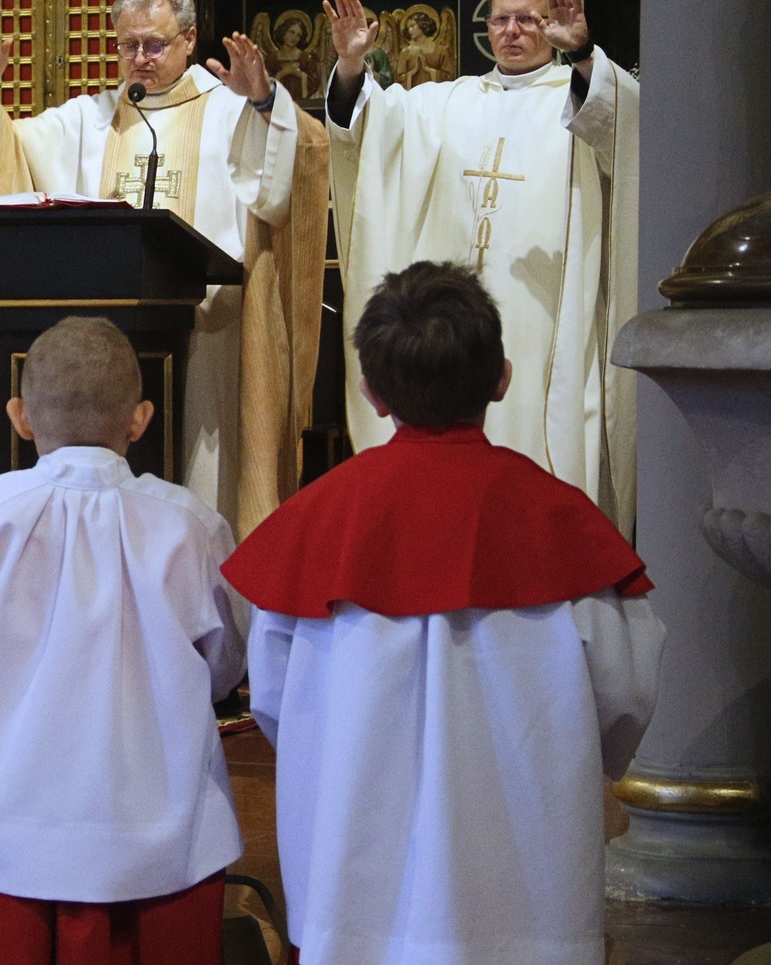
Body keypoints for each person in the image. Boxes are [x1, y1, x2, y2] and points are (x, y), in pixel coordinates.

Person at [225, 262, 663, 965]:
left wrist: (333, 751)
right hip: (527, 882)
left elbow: (275, 699)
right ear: (502, 379)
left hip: (357, 877)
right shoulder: (559, 522)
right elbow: (625, 693)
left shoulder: (320, 521)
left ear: (369, 392)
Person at [0, 0, 329, 534]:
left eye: (154, 44)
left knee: (205, 473)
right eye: (128, 46)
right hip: (111, 330)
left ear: (189, 39)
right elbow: (8, 154)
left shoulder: (230, 109)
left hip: (210, 330)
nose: (140, 59)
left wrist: (266, 103)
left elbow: (297, 157)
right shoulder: (93, 117)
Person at [0, 316, 247, 965]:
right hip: (159, 816)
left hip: (20, 808)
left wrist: (6, 683)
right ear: (140, 418)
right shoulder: (189, 524)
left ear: (20, 416)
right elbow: (224, 659)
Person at [325, 0, 637, 528]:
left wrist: (584, 53)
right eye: (500, 20)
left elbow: (626, 130)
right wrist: (350, 65)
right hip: (452, 326)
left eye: (528, 20)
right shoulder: (442, 103)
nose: (512, 31)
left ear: (553, 24)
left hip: (543, 320)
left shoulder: (575, 96)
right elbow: (368, 132)